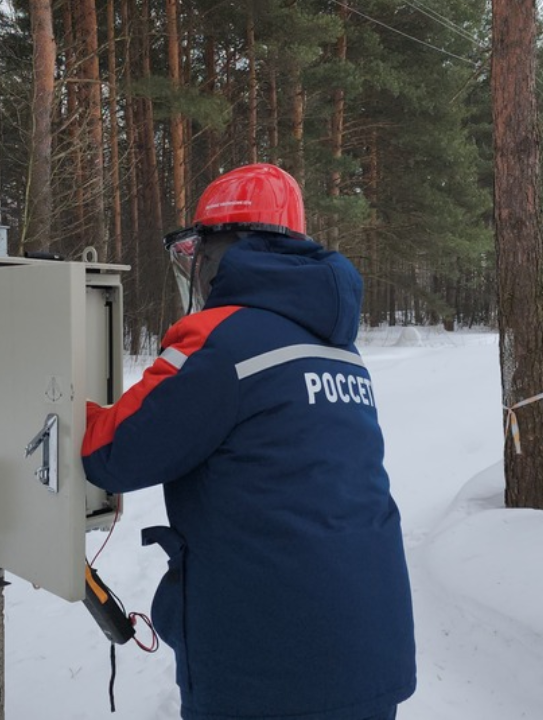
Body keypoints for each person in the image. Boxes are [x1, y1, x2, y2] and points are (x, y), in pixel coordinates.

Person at [82, 163, 416, 720]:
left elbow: (112, 452)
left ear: (227, 250)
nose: (198, 270)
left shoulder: (220, 340)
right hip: (370, 652)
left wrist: (56, 406)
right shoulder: (337, 347)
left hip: (268, 671)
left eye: (200, 253)